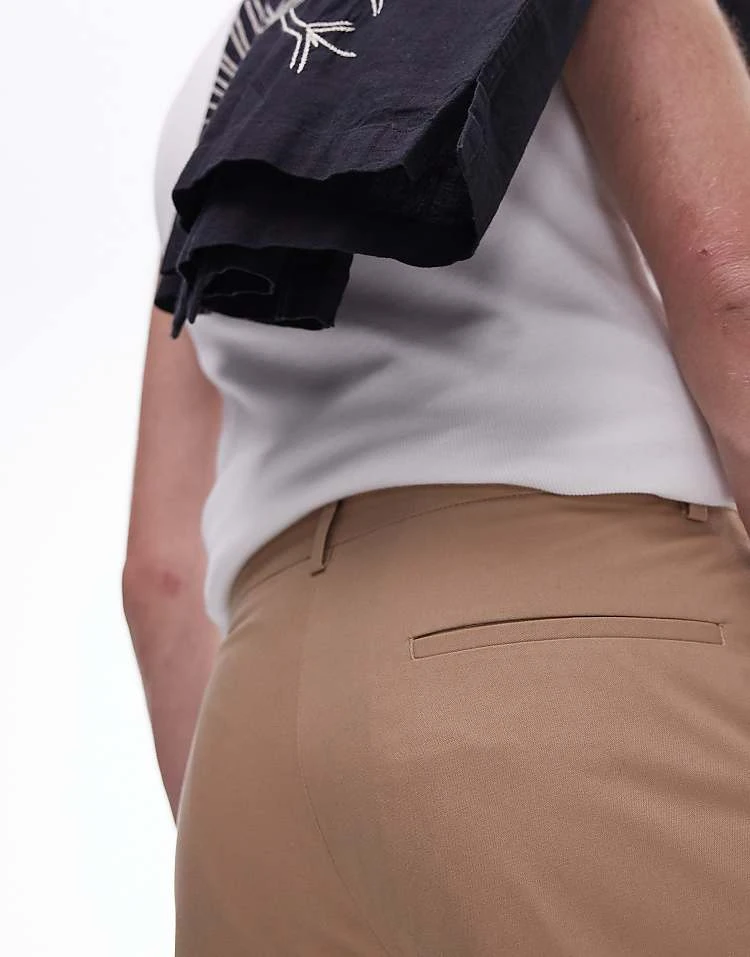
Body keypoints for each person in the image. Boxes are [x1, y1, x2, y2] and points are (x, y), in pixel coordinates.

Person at [123, 0, 750, 953]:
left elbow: (161, 573)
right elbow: (732, 289)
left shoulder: (230, 84)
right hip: (576, 663)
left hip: (254, 751)